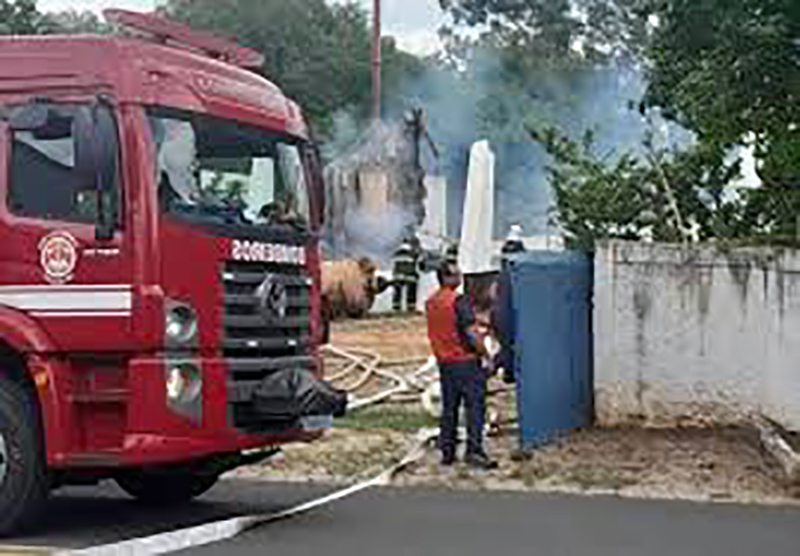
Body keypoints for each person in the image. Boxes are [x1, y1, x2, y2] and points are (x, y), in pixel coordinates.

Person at [426, 261, 497, 470]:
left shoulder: (431, 302)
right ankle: (474, 452)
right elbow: (471, 333)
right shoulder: (458, 301)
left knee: (450, 408)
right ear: (447, 278)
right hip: (465, 362)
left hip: (445, 362)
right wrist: (486, 355)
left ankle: (447, 452)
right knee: (475, 408)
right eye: (457, 275)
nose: (460, 278)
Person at [392, 235, 421, 313]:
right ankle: (410, 306)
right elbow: (419, 257)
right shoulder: (414, 246)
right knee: (412, 287)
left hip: (398, 274)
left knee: (397, 289)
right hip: (410, 274)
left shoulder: (396, 245)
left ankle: (396, 306)